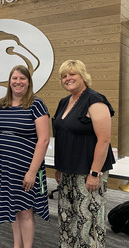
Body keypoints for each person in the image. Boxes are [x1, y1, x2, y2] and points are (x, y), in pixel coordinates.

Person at [52, 60, 115, 248]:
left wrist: (95, 173)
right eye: (64, 76)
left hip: (88, 173)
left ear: (83, 76)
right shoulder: (65, 102)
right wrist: (59, 167)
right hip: (67, 171)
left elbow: (104, 140)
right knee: (67, 218)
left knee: (88, 221)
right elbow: (62, 134)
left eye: (72, 74)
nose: (67, 78)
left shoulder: (95, 99)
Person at [0, 65, 50, 248]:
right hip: (5, 166)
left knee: (25, 210)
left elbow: (44, 140)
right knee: (12, 208)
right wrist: (5, 154)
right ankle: (17, 244)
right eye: (15, 78)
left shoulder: (36, 104)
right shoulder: (1, 104)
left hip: (27, 168)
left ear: (28, 82)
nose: (18, 82)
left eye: (22, 79)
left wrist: (32, 172)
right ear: (9, 81)